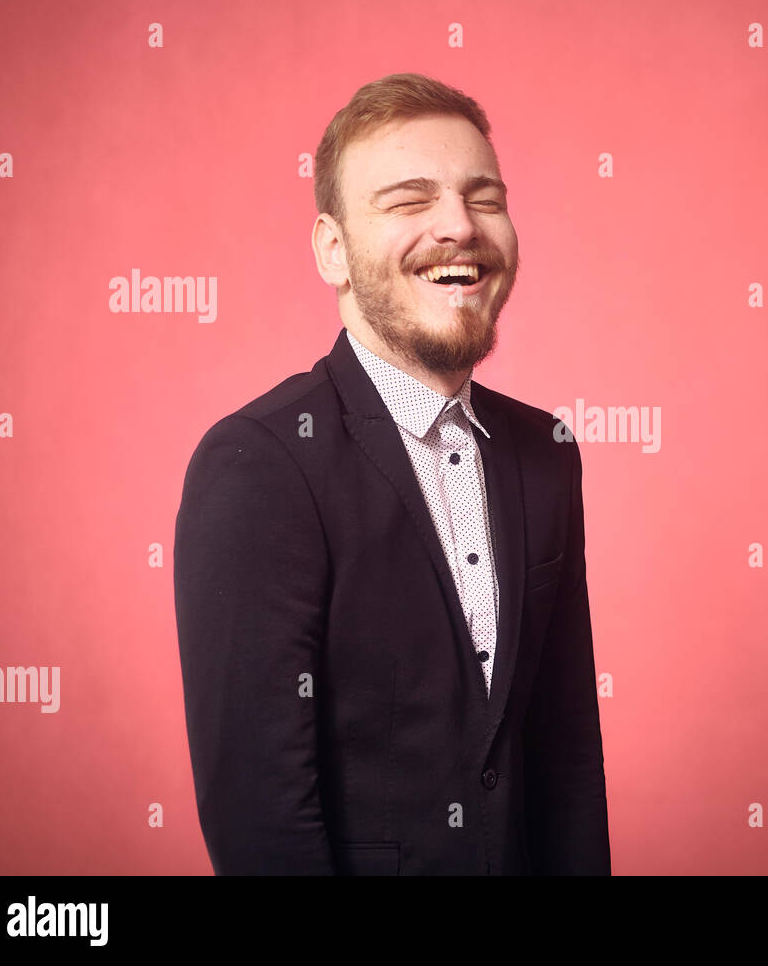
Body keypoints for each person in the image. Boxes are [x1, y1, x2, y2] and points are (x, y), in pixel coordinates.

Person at [173, 72, 610, 875]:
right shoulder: (256, 466)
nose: (459, 227)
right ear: (332, 251)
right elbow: (260, 820)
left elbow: (567, 756)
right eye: (410, 201)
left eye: (485, 198)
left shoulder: (545, 452)